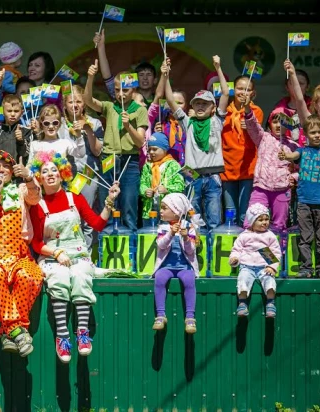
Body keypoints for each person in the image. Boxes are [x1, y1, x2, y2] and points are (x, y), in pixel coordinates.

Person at [29, 151, 120, 362]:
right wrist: (57, 252)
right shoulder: (37, 206)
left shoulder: (75, 198)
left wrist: (109, 202)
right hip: (52, 257)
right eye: (45, 171)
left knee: (80, 276)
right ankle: (62, 336)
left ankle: (83, 333)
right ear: (39, 178)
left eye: (54, 170)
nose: (50, 174)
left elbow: (97, 224)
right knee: (59, 279)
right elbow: (36, 243)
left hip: (79, 255)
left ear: (62, 174)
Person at [0, 150, 43, 357]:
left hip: (20, 254)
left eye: (5, 167)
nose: (1, 170)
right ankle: (18, 331)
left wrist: (29, 176)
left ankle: (8, 331)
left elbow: (35, 197)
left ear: (12, 172)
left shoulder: (21, 190)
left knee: (29, 276)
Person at [164, 56, 229, 232]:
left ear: (213, 108)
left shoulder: (217, 121)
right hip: (192, 176)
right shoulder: (188, 122)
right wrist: (165, 76)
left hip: (214, 175)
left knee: (214, 219)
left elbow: (225, 93)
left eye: (205, 104)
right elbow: (170, 99)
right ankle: (195, 252)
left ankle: (212, 255)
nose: (200, 106)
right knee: (193, 219)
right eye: (197, 103)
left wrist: (218, 68)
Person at [84, 59, 148, 233]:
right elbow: (88, 100)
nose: (120, 94)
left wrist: (128, 126)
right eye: (117, 90)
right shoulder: (110, 106)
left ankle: (131, 250)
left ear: (134, 90)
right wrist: (90, 77)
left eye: (125, 90)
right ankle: (109, 247)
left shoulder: (140, 110)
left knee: (129, 205)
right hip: (109, 158)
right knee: (109, 205)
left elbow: (141, 142)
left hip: (130, 160)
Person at [285, 59, 320, 271]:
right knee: (310, 228)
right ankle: (310, 265)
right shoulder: (311, 121)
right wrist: (293, 74)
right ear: (315, 105)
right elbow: (298, 98)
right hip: (313, 184)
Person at [279, 115, 320, 278]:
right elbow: (292, 156)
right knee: (305, 237)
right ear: (306, 134)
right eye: (313, 132)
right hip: (304, 202)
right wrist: (285, 155)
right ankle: (306, 268)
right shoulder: (302, 151)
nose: (317, 135)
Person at [242, 94, 298, 234]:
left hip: (282, 190)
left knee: (279, 225)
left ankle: (278, 252)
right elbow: (252, 125)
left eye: (283, 122)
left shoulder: (294, 146)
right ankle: (251, 250)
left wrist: (295, 177)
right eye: (275, 122)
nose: (278, 125)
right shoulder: (263, 138)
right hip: (261, 188)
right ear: (269, 124)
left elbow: (304, 167)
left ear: (288, 126)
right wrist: (247, 108)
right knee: (251, 221)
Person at [58, 84, 103, 249]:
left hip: (88, 173)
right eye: (70, 102)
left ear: (84, 103)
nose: (74, 105)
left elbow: (97, 151)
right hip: (65, 175)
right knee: (67, 216)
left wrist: (87, 129)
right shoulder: (59, 123)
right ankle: (68, 252)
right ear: (64, 105)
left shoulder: (94, 122)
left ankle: (87, 253)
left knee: (87, 216)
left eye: (78, 101)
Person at [151, 193, 200, 334]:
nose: (161, 211)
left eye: (164, 208)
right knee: (159, 278)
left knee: (189, 281)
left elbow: (191, 251)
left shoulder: (189, 227)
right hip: (167, 266)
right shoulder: (163, 227)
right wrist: (170, 234)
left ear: (176, 211)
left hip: (184, 267)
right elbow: (161, 245)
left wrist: (185, 238)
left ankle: (190, 317)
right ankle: (160, 315)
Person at [221, 75, 264, 225]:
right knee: (230, 211)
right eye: (240, 88)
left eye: (247, 89)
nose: (243, 92)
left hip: (248, 167)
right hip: (228, 167)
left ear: (253, 93)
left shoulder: (256, 111)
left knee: (244, 212)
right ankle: (230, 246)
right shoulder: (224, 112)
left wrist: (251, 124)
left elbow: (258, 136)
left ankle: (245, 245)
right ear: (233, 90)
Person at [229, 203, 281, 318]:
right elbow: (236, 249)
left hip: (264, 267)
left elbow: (275, 252)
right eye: (260, 220)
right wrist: (234, 259)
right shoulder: (244, 235)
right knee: (243, 280)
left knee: (270, 281)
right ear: (252, 222)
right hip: (246, 266)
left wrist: (272, 267)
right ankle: (242, 303)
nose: (264, 222)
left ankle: (270, 303)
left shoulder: (269, 236)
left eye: (267, 219)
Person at [139, 132, 185, 219]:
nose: (151, 152)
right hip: (150, 209)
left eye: (155, 149)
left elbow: (180, 185)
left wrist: (167, 189)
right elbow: (142, 183)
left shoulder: (173, 165)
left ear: (164, 149)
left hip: (168, 210)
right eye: (149, 149)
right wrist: (145, 191)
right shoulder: (147, 166)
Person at [0, 95, 32, 164]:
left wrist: (20, 141)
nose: (12, 114)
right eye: (9, 111)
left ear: (21, 113)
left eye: (16, 111)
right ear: (3, 112)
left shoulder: (26, 131)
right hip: (1, 172)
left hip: (19, 172)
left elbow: (25, 154)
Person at [271, 68, 311, 146]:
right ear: (286, 87)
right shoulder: (279, 109)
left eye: (301, 83)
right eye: (293, 83)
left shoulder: (314, 106)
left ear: (307, 87)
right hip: (286, 151)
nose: (297, 87)